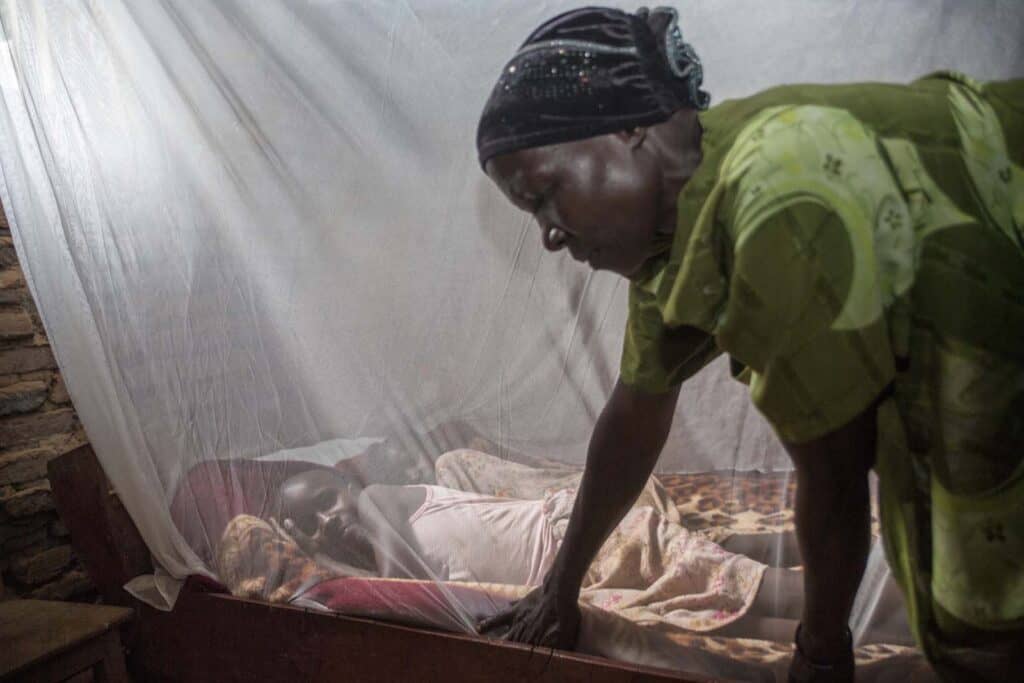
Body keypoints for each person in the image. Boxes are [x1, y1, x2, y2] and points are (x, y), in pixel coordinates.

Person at [473, 6, 1023, 682]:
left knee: (980, 614)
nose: (550, 235)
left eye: (543, 195)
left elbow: (834, 472)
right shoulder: (670, 245)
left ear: (627, 126)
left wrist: (820, 652)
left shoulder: (773, 195)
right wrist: (561, 583)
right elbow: (633, 422)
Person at [274, 451, 816, 642]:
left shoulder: (376, 501)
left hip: (595, 544)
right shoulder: (348, 553)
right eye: (311, 523)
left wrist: (323, 560)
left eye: (326, 500)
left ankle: (883, 592)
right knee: (742, 616)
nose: (328, 519)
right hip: (590, 581)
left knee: (778, 597)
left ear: (346, 485)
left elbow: (398, 583)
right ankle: (871, 617)